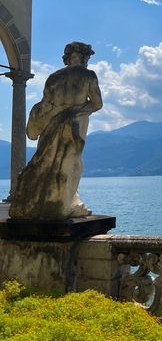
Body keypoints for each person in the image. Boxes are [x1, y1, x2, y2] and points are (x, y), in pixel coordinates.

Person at [9, 42, 103, 220]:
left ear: (67, 57)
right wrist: (78, 110)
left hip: (50, 128)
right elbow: (98, 104)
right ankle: (64, 206)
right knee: (71, 165)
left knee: (47, 166)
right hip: (74, 126)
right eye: (88, 57)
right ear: (83, 56)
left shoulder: (53, 78)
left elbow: (45, 106)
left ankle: (46, 204)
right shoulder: (88, 75)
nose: (88, 61)